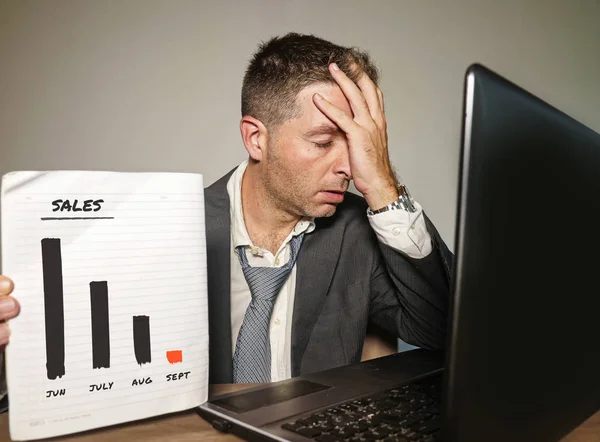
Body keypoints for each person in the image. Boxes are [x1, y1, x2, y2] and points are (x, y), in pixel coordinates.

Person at [0, 33, 453, 387]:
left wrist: (384, 186)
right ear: (256, 138)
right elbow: (81, 361)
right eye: (322, 142)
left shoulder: (359, 230)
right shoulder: (162, 231)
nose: (349, 166)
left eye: (357, 144)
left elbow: (444, 332)